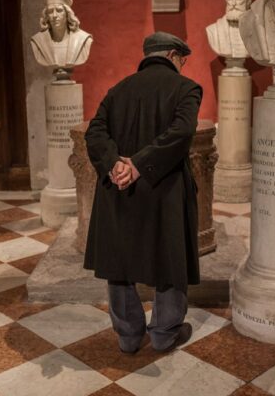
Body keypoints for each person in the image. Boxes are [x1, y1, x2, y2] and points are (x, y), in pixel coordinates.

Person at [84, 31, 202, 353]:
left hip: (118, 189)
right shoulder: (187, 88)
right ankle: (164, 334)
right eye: (183, 59)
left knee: (119, 263)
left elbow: (94, 133)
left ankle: (129, 336)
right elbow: (182, 133)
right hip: (165, 189)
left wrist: (116, 166)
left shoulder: (117, 90)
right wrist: (138, 166)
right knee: (170, 258)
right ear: (174, 56)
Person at [30, 0, 93, 71]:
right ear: (46, 16)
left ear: (67, 14)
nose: (54, 15)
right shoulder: (38, 41)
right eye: (50, 11)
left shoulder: (83, 39)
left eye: (59, 11)